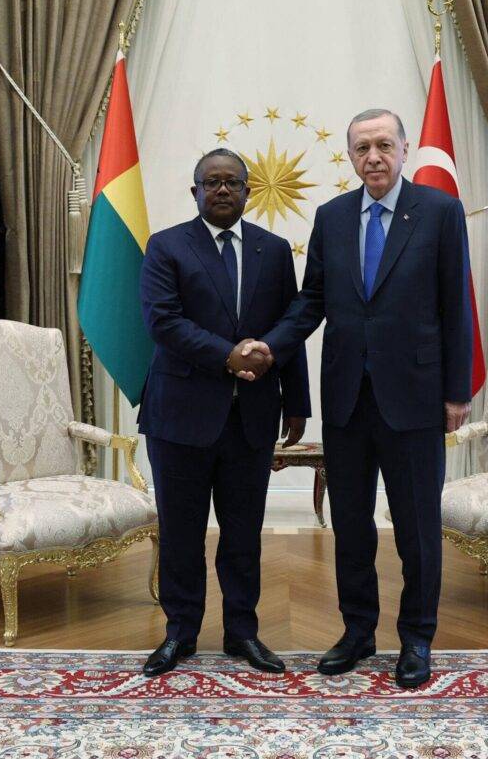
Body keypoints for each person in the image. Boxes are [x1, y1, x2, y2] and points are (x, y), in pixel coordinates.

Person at [246, 109, 471, 688]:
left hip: (416, 398)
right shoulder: (333, 217)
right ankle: (358, 631)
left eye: (384, 145)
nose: (373, 157)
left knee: (419, 527)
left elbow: (456, 307)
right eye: (362, 148)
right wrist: (269, 347)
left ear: (403, 149)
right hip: (347, 396)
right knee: (351, 524)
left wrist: (456, 393)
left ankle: (417, 637)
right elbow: (311, 301)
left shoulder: (440, 213)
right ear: (349, 156)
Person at [137, 148, 309, 676]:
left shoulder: (274, 251)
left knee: (243, 534)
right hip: (180, 418)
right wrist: (227, 357)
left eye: (232, 182)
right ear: (195, 192)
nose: (222, 190)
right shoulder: (166, 247)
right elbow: (163, 322)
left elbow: (291, 329)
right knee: (182, 533)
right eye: (210, 182)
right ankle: (180, 634)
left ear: (248, 192)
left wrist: (297, 402)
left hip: (251, 418)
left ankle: (243, 634)